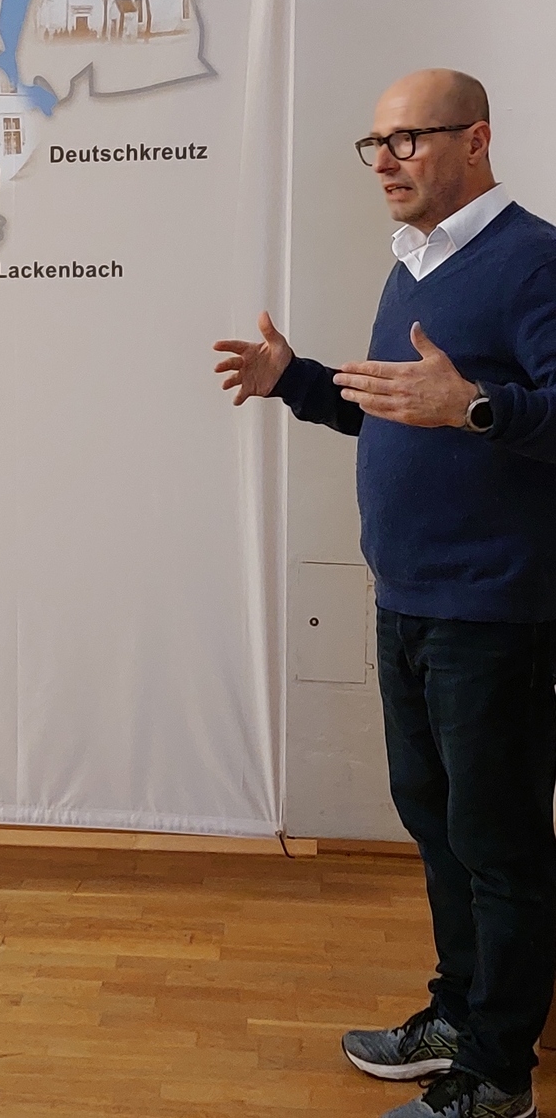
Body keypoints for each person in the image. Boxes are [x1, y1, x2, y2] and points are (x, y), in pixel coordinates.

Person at [213, 70, 556, 1118]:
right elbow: (401, 408)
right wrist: (295, 380)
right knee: (437, 824)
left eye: (409, 139)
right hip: (407, 598)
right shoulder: (415, 263)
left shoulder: (534, 261)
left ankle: (496, 1074)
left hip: (495, 609)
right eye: (376, 144)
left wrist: (478, 407)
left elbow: (492, 410)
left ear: (476, 140)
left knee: (498, 845)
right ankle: (458, 1013)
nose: (385, 163)